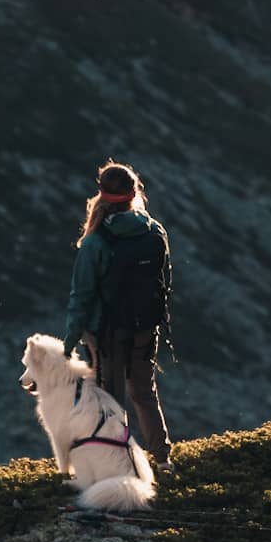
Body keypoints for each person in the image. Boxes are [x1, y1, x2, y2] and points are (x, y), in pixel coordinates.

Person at [63, 160, 174, 470]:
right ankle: (163, 459)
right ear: (134, 193)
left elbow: (81, 297)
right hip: (145, 327)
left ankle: (119, 464)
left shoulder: (95, 242)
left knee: (110, 399)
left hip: (107, 333)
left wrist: (69, 343)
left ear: (101, 194)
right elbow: (164, 280)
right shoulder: (154, 231)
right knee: (144, 392)